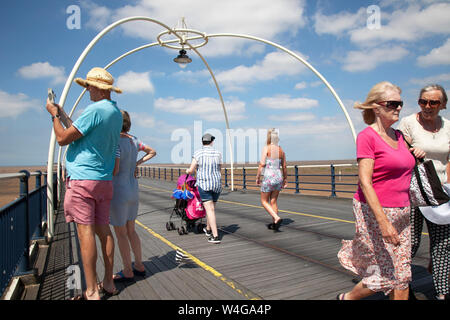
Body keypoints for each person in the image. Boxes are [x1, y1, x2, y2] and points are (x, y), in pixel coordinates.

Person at [336, 81, 425, 300]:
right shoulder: (367, 137)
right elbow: (365, 182)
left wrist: (418, 154)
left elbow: (404, 167)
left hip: (404, 212)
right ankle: (347, 298)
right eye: (393, 103)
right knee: (384, 275)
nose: (398, 108)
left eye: (400, 103)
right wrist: (384, 222)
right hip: (375, 212)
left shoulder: (401, 137)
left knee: (403, 276)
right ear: (376, 107)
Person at [46, 67, 123, 300]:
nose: (87, 89)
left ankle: (91, 290)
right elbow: (79, 132)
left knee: (85, 233)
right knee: (104, 231)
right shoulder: (115, 112)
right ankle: (108, 282)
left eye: (89, 86)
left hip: (82, 181)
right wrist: (63, 114)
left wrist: (53, 115)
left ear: (99, 88)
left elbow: (62, 139)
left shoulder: (94, 110)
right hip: (103, 180)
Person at [398, 84, 450, 300]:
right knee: (411, 242)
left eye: (433, 102)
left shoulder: (448, 126)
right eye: (423, 101)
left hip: (441, 193)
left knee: (443, 243)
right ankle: (402, 287)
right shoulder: (409, 123)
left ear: (443, 105)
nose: (427, 106)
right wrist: (412, 153)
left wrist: (448, 185)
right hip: (415, 192)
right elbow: (399, 153)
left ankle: (442, 292)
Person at [110, 110, 156, 282]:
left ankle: (128, 270)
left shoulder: (114, 141)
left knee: (121, 233)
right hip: (133, 190)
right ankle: (139, 264)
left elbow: (113, 169)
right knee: (131, 230)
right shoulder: (135, 141)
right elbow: (152, 151)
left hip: (118, 192)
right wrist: (137, 163)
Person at [186, 133, 222, 244]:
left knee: (209, 210)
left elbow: (191, 170)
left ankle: (215, 236)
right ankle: (208, 228)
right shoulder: (218, 153)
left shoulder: (198, 153)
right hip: (216, 184)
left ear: (202, 142)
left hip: (204, 184)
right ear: (211, 142)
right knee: (211, 209)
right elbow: (220, 168)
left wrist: (187, 171)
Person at [256, 129, 287, 231]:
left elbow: (262, 164)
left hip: (269, 177)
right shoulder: (281, 150)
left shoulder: (267, 148)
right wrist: (285, 179)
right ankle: (275, 224)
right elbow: (284, 166)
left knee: (264, 201)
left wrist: (257, 177)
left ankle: (277, 218)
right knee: (273, 201)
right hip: (278, 177)